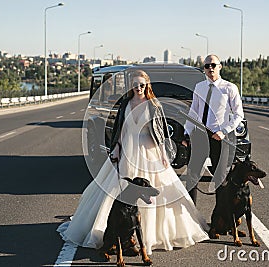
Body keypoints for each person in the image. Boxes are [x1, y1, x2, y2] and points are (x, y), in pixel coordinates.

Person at [58, 69, 209, 255]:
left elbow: (160, 132)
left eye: (142, 85)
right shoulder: (125, 104)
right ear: (131, 86)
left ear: (147, 85)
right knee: (115, 190)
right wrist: (116, 148)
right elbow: (121, 129)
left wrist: (163, 154)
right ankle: (115, 231)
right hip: (128, 151)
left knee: (157, 191)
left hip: (150, 152)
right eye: (135, 85)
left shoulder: (154, 105)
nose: (139, 88)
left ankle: (151, 235)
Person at [182, 54, 245, 204]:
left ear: (220, 67)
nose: (210, 68)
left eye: (213, 65)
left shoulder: (229, 88)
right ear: (203, 69)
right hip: (199, 136)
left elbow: (238, 114)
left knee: (220, 179)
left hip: (219, 138)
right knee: (192, 177)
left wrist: (224, 131)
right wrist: (186, 134)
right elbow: (194, 112)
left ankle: (220, 219)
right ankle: (191, 216)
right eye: (207, 66)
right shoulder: (200, 87)